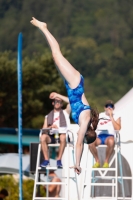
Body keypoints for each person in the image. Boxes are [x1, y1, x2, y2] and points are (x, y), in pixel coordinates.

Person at [30, 17, 99, 174]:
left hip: (71, 87)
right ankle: (44, 28)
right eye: (81, 135)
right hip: (75, 82)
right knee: (56, 54)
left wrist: (60, 96)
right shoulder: (84, 121)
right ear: (85, 133)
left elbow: (74, 102)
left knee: (55, 56)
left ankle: (43, 29)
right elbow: (79, 144)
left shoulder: (82, 117)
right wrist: (77, 164)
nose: (78, 135)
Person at [40, 92, 71, 168]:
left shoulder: (65, 112)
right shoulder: (48, 116)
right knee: (43, 137)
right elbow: (44, 129)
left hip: (62, 135)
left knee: (63, 137)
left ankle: (59, 160)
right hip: (52, 135)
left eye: (59, 102)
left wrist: (57, 95)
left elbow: (71, 101)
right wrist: (50, 127)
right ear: (53, 103)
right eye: (56, 101)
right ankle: (46, 160)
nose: (57, 103)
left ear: (62, 104)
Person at [89, 100, 121, 168]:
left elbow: (118, 128)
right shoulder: (100, 115)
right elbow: (93, 126)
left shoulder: (117, 116)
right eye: (107, 106)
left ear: (113, 108)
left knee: (111, 141)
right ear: (105, 108)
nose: (109, 108)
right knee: (90, 142)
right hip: (100, 136)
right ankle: (97, 160)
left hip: (110, 136)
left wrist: (111, 117)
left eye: (111, 106)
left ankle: (106, 161)